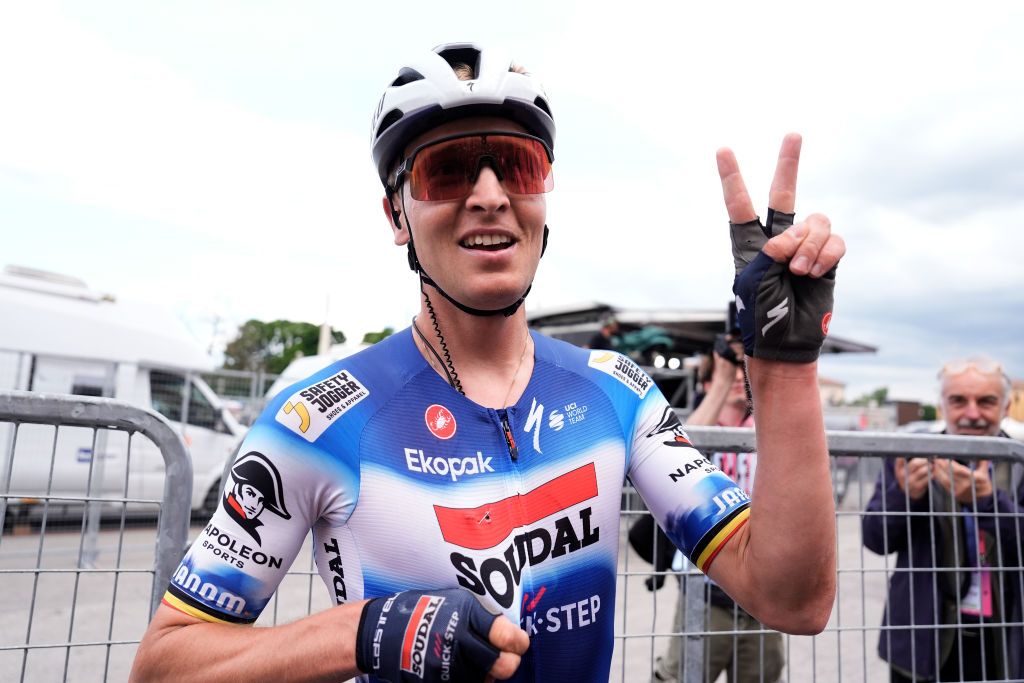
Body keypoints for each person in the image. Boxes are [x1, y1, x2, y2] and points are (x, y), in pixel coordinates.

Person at [132, 43, 845, 682]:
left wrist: (784, 369)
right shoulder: (318, 419)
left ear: (542, 196)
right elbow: (164, 663)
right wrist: (361, 633)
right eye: (446, 172)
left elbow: (793, 597)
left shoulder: (616, 391)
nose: (489, 195)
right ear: (396, 216)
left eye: (517, 165)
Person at [862, 357, 1024, 682]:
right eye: (959, 400)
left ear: (1006, 406)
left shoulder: (1019, 460)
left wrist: (988, 504)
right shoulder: (910, 455)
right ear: (942, 406)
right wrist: (904, 495)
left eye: (986, 401)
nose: (973, 413)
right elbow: (876, 539)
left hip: (1004, 637)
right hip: (923, 637)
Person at [651, 336, 784, 683]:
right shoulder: (703, 419)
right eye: (730, 371)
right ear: (709, 383)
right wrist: (722, 381)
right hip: (705, 591)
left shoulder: (765, 426)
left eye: (744, 371)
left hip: (762, 593)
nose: (740, 376)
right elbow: (676, 450)